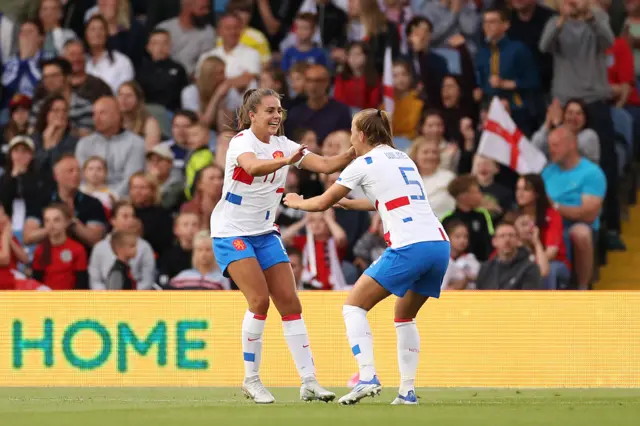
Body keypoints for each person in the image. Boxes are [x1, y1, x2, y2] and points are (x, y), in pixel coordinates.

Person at [283, 108, 450, 405]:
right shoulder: (403, 158)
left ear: (360, 135)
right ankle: (407, 392)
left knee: (353, 307)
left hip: (410, 245)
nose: (350, 136)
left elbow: (322, 202)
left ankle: (367, 377)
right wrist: (351, 205)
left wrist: (298, 201)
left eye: (351, 130)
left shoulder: (363, 163)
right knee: (404, 315)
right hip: (438, 244)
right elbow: (392, 201)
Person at [210, 88, 357, 404]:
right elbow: (252, 167)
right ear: (253, 115)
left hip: (264, 232)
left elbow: (326, 165)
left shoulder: (284, 145)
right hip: (231, 232)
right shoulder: (242, 143)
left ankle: (309, 381)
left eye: (279, 110)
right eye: (269, 110)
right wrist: (287, 160)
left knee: (290, 303)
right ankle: (251, 379)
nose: (276, 115)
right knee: (259, 300)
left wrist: (356, 150)